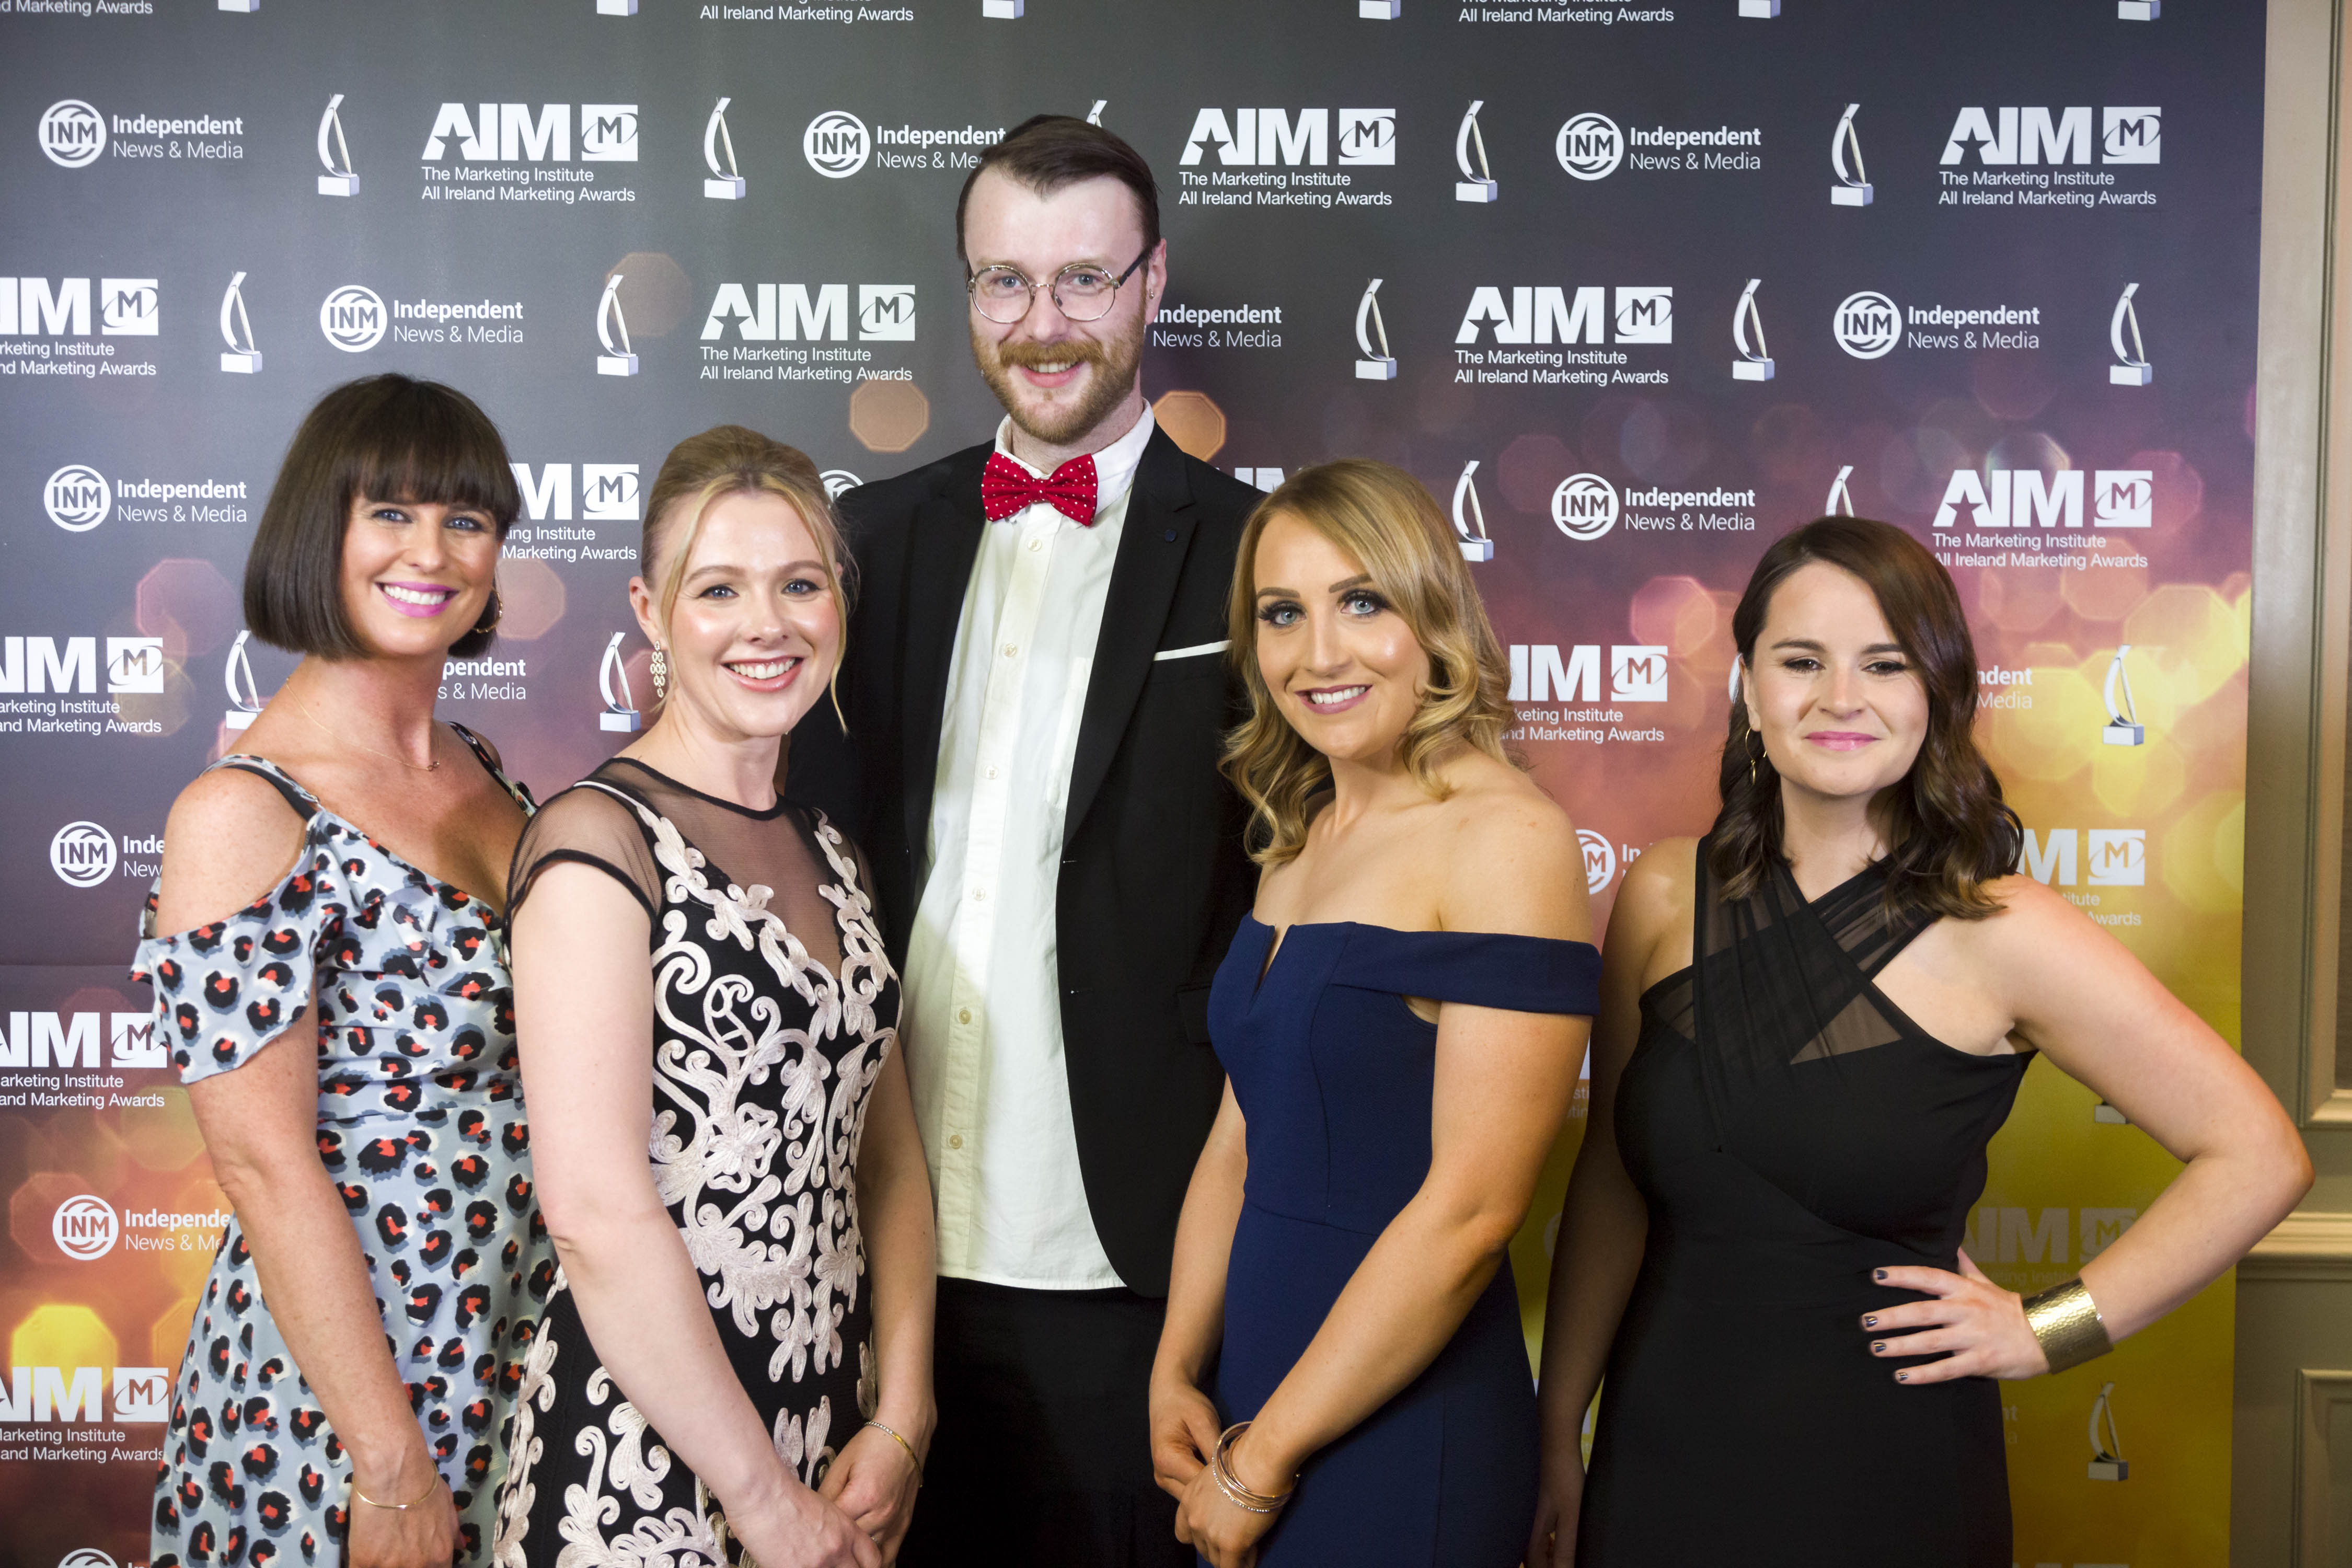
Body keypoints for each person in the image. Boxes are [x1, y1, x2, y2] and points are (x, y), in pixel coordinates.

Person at [1529, 516, 2313, 1567]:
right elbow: (1612, 1183)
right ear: (1749, 689)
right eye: (1801, 661)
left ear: (1937, 694)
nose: (1839, 697)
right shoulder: (1667, 891)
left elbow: (2260, 1154)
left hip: (1887, 1468)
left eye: (1885, 663)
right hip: (1661, 1449)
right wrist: (1558, 1434)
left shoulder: (2005, 928)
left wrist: (2044, 1331)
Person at [785, 116, 1262, 1564]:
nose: (1042, 324)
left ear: (1153, 281)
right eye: (1005, 281)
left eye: (1083, 280)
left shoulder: (1265, 558)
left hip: (1136, 1265)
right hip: (867, 1265)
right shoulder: (862, 544)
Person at [489, 429, 933, 1568]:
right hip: (641, 1464)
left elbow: (885, 1155)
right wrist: (765, 1504)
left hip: (832, 1441)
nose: (766, 625)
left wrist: (904, 1415)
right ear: (651, 612)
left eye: (801, 584)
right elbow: (593, 1214)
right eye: (719, 589)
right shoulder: (598, 843)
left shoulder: (833, 851)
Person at [1146, 460, 1599, 1568]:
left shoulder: (1507, 839)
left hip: (1401, 1421)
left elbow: (1473, 1212)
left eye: (1362, 602)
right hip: (1255, 1393)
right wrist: (1175, 1366)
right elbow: (1239, 1141)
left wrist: (1263, 1464)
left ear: (1433, 614)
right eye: (1282, 614)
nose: (1320, 654)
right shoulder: (1298, 834)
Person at [133, 374, 547, 1568]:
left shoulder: (481, 766)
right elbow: (263, 1166)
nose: (433, 552)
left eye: (466, 520)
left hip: (515, 1339)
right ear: (320, 528)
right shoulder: (243, 810)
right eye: (392, 514)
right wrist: (389, 1463)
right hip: (348, 1397)